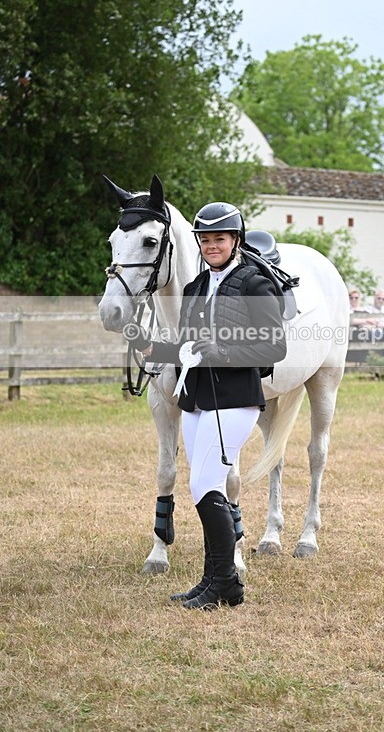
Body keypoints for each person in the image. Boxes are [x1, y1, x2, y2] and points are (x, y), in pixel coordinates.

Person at [129, 201, 287, 610]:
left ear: (235, 240)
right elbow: (186, 348)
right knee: (202, 488)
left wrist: (222, 348)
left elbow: (273, 347)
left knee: (204, 485)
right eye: (205, 239)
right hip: (197, 399)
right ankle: (212, 580)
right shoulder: (196, 287)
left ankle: (226, 583)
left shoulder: (255, 283)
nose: (211, 245)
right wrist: (153, 347)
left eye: (219, 239)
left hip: (234, 400)